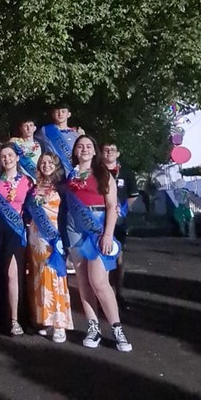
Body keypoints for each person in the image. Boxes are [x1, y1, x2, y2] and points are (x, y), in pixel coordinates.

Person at [65, 136, 133, 352]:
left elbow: (112, 205)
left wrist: (108, 234)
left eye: (88, 146)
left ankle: (117, 328)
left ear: (95, 151)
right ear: (75, 151)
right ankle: (93, 327)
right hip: (74, 228)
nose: (84, 149)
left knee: (99, 281)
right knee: (83, 281)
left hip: (98, 227)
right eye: (80, 146)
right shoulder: (70, 175)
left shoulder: (104, 174)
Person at [24, 153, 73, 342]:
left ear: (56, 165)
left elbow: (68, 214)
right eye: (42, 162)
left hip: (54, 238)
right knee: (38, 278)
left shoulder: (63, 187)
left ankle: (59, 323)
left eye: (50, 162)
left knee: (54, 276)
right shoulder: (34, 188)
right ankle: (44, 320)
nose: (46, 165)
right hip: (35, 239)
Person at [0, 143, 32, 336]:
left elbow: (31, 207)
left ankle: (15, 319)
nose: (7, 159)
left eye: (10, 155)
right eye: (3, 156)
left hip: (16, 228)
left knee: (13, 273)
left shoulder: (27, 182)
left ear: (17, 157)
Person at [101, 142, 139, 309]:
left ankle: (119, 293)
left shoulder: (127, 173)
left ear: (118, 153)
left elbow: (133, 195)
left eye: (113, 150)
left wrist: (122, 210)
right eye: (106, 150)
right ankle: (103, 294)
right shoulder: (95, 171)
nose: (109, 152)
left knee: (118, 257)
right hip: (98, 220)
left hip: (118, 222)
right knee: (100, 258)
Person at [36, 103, 83, 178]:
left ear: (69, 114)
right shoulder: (45, 130)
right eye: (57, 111)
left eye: (63, 111)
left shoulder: (76, 134)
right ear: (53, 114)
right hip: (52, 173)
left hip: (71, 173)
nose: (60, 114)